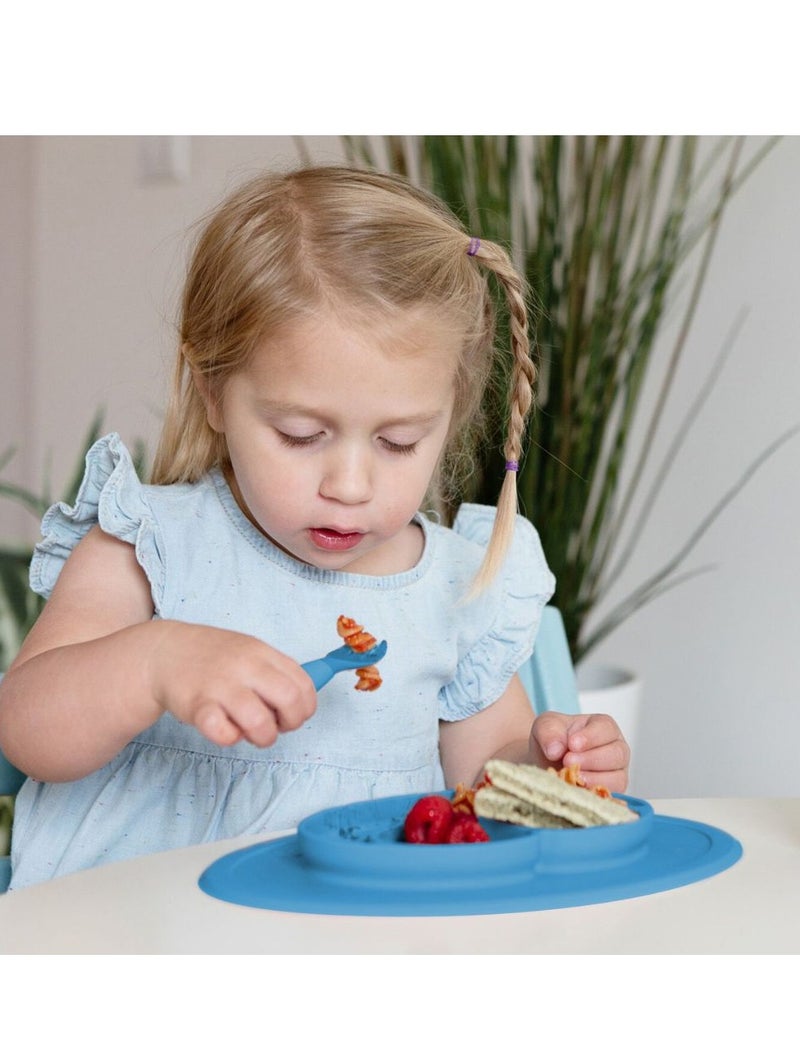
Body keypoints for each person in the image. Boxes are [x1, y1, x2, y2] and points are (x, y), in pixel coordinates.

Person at [0, 166, 629, 889]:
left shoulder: (456, 586)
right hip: (143, 936)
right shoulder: (150, 548)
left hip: (364, 936)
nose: (350, 486)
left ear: (448, 420)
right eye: (301, 434)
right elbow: (26, 727)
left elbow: (486, 782)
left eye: (398, 443)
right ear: (212, 392)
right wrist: (152, 662)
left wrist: (545, 768)